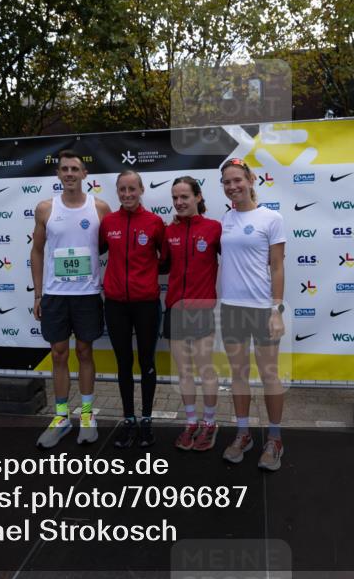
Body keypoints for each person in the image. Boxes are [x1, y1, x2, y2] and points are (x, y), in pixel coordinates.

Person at [31, 150, 111, 448]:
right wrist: (38, 292)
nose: (69, 173)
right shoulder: (45, 209)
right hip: (55, 295)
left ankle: (87, 415)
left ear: (84, 175)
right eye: (64, 169)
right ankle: (62, 416)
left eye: (74, 169)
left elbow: (110, 247)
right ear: (58, 175)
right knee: (59, 353)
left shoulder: (100, 207)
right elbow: (37, 251)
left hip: (88, 295)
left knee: (86, 353)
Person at [218, 158, 287, 471]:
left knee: (269, 375)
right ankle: (243, 433)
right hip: (232, 308)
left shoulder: (271, 218)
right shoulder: (226, 219)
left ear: (249, 180)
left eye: (237, 180)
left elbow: (277, 267)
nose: (233, 186)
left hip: (262, 309)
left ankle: (274, 439)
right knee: (239, 374)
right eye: (227, 182)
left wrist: (276, 310)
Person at [100, 170, 165, 448]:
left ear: (141, 190)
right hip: (115, 304)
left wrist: (145, 278)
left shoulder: (154, 222)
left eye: (132, 189)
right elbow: (100, 251)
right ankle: (128, 420)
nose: (127, 194)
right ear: (117, 192)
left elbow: (165, 260)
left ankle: (147, 420)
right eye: (122, 190)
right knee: (124, 363)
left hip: (147, 304)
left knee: (147, 362)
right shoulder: (108, 222)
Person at [161, 176, 222, 452]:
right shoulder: (169, 231)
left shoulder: (214, 228)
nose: (179, 202)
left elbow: (233, 260)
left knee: (205, 368)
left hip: (201, 309)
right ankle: (191, 422)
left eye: (184, 196)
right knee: (184, 370)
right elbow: (162, 265)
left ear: (198, 197)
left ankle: (210, 423)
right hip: (174, 307)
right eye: (175, 197)